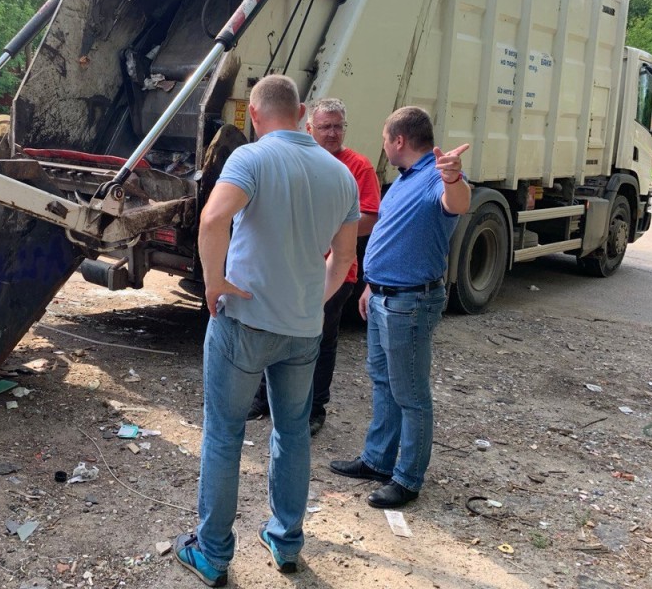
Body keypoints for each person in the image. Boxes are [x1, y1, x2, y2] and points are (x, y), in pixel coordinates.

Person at [175, 75, 360, 586]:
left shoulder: (251, 159)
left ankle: (212, 554)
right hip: (303, 330)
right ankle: (285, 540)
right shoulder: (341, 175)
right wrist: (311, 302)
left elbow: (212, 221)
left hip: (245, 323)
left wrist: (214, 285)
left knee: (224, 434)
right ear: (302, 112)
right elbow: (344, 258)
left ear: (254, 116)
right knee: (293, 432)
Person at [329, 106, 470, 509]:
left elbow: (456, 203)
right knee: (383, 381)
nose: (383, 146)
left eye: (384, 139)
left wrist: (454, 177)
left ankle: (407, 479)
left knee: (410, 393)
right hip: (384, 296)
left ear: (399, 141)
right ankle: (377, 459)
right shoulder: (406, 178)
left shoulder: (433, 177)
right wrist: (371, 286)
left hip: (410, 302)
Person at [247, 97, 380, 435]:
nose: (332, 133)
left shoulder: (358, 166)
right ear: (309, 128)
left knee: (321, 341)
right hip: (291, 268)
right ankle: (263, 399)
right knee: (274, 332)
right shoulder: (298, 160)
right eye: (325, 127)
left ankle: (315, 409)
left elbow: (370, 216)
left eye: (338, 126)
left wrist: (326, 227)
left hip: (336, 272)